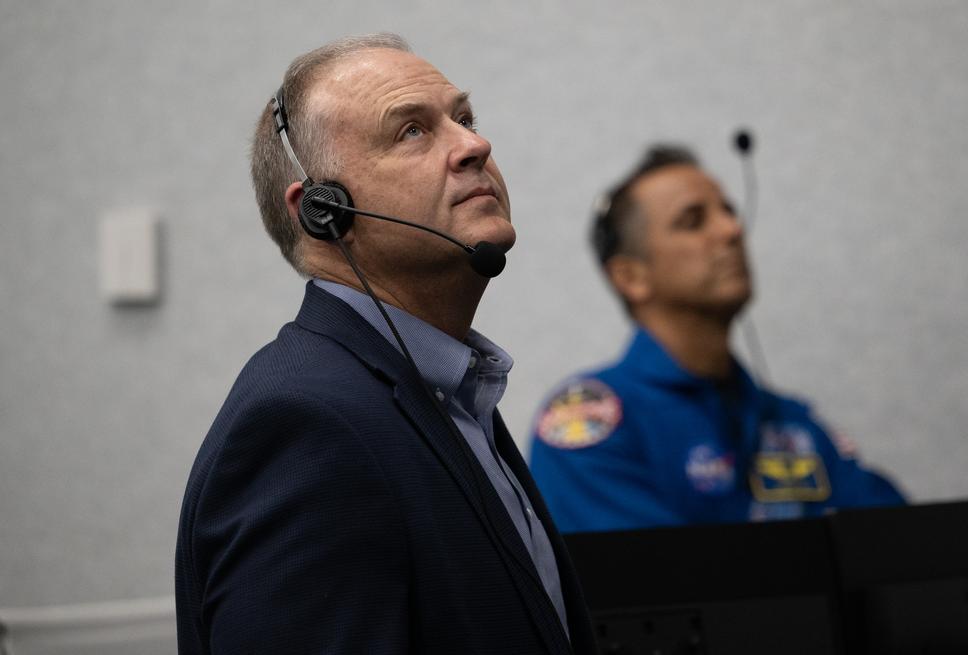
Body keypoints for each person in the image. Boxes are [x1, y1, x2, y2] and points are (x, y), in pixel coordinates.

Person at [175, 34, 595, 654]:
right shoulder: (303, 426)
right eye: (411, 132)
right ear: (322, 210)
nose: (475, 145)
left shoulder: (451, 393)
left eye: (465, 118)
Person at [528, 145, 906, 533]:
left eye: (729, 211)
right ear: (630, 277)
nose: (732, 230)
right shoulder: (589, 421)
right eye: (693, 221)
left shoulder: (788, 421)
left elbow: (898, 546)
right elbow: (659, 585)